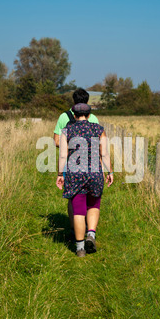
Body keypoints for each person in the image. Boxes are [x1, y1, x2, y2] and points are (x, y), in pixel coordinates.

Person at [56, 103, 113, 257]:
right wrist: (110, 171)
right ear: (89, 115)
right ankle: (91, 235)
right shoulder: (98, 129)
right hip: (95, 172)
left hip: (74, 174)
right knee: (94, 204)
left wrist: (60, 174)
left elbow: (62, 155)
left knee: (79, 211)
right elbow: (105, 153)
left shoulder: (67, 130)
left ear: (74, 115)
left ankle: (80, 248)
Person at [53, 88, 100, 237]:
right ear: (87, 101)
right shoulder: (93, 119)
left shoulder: (63, 117)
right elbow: (98, 144)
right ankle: (88, 229)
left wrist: (73, 146)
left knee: (73, 197)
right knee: (91, 197)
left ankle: (74, 230)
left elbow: (56, 141)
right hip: (92, 164)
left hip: (70, 162)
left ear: (73, 101)